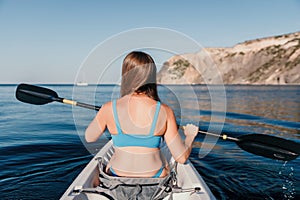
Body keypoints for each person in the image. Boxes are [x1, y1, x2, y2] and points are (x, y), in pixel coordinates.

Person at [85, 51, 198, 179]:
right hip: (154, 181)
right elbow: (181, 158)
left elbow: (90, 137)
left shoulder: (108, 108)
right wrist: (190, 136)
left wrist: (104, 116)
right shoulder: (165, 111)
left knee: (109, 164)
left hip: (116, 177)